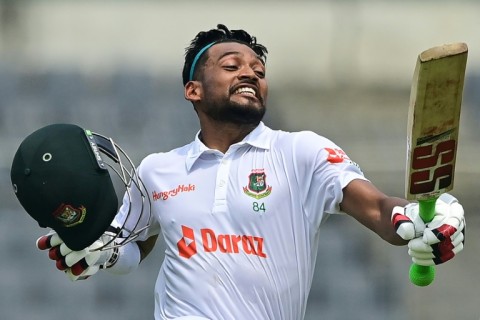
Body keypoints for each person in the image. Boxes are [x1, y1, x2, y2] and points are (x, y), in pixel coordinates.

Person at [32, 24, 465, 319]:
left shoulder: (301, 152)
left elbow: (377, 209)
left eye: (258, 71)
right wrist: (90, 251)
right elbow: (131, 251)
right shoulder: (157, 170)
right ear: (193, 90)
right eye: (232, 65)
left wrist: (416, 221)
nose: (251, 74)